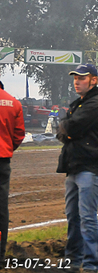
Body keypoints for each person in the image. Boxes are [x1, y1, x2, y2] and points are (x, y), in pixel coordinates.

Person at [56, 64, 98, 272]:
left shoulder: (95, 104)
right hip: (74, 167)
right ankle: (72, 261)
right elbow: (61, 132)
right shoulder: (78, 104)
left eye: (82, 78)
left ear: (94, 80)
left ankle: (90, 265)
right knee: (73, 216)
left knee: (87, 217)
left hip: (91, 168)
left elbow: (69, 127)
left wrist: (67, 127)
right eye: (75, 78)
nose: (77, 81)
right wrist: (67, 128)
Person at [0, 83, 25, 264]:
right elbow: (19, 135)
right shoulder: (13, 103)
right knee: (1, 209)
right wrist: (8, 148)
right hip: (2, 160)